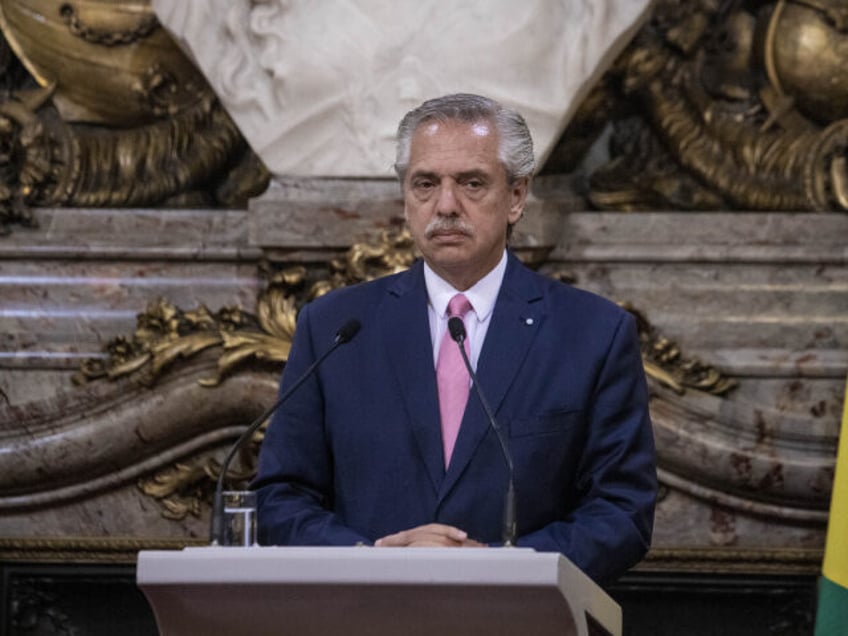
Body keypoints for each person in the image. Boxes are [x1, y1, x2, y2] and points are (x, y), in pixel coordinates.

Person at [254, 93, 657, 585]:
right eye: (425, 184)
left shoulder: (593, 334)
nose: (445, 205)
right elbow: (279, 496)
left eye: (471, 183)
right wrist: (370, 558)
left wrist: (499, 571)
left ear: (515, 197)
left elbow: (622, 512)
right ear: (406, 197)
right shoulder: (334, 327)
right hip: (363, 614)